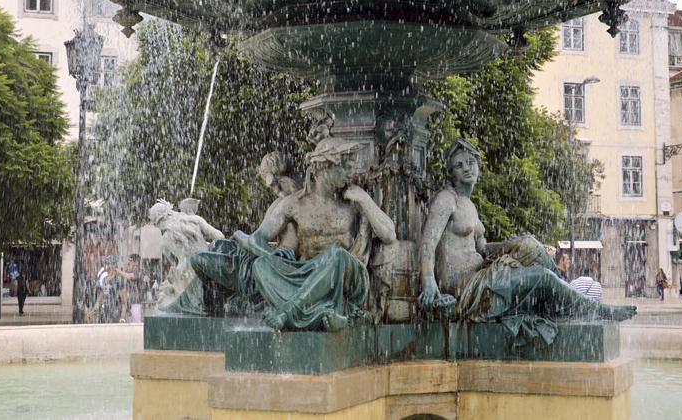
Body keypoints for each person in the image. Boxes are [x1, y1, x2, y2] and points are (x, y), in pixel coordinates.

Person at [418, 139, 636, 347]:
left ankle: (568, 298)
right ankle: (593, 308)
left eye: (471, 162)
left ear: (478, 166)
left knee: (530, 245)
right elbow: (428, 242)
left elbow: (482, 250)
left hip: (480, 276)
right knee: (541, 277)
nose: (467, 168)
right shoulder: (446, 199)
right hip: (463, 287)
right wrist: (428, 281)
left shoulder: (470, 206)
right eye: (459, 165)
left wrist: (514, 244)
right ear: (451, 172)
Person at [184, 137, 397, 331]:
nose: (351, 174)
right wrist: (273, 257)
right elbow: (258, 238)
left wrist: (365, 199)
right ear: (325, 167)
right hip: (306, 273)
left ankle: (290, 311)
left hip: (347, 277)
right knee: (261, 265)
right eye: (347, 167)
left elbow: (389, 235)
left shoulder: (353, 201)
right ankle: (329, 315)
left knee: (336, 254)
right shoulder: (294, 204)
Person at [87, 255, 127, 323]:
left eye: (108, 263)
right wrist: (92, 311)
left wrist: (122, 317)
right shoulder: (105, 279)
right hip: (105, 311)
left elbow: (124, 300)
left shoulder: (119, 279)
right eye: (104, 263)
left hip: (115, 312)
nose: (105, 264)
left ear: (114, 265)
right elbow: (102, 298)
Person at [113, 254, 145, 323]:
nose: (128, 262)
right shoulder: (127, 271)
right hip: (127, 303)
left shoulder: (139, 271)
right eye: (128, 260)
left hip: (135, 302)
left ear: (136, 262)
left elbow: (129, 276)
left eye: (130, 261)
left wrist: (117, 270)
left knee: (136, 324)